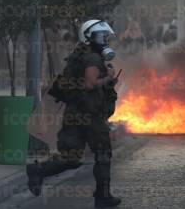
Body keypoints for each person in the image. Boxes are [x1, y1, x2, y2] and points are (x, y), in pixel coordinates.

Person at [26, 20, 121, 208]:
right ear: (89, 37)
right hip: (90, 115)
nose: (104, 40)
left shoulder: (79, 55)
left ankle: (38, 171)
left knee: (70, 158)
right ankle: (103, 197)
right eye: (101, 36)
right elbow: (90, 84)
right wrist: (108, 78)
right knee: (102, 154)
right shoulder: (92, 58)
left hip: (75, 113)